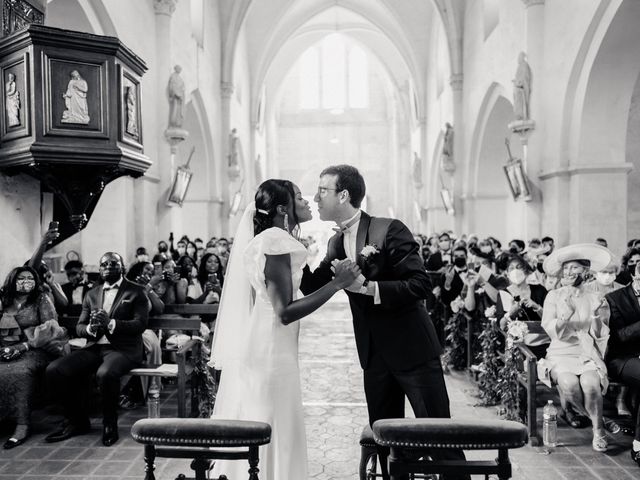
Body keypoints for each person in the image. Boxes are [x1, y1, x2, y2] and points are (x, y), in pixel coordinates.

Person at [300, 165, 468, 480]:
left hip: (412, 350)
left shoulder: (388, 229)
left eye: (323, 190)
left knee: (440, 436)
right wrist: (291, 244)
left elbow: (420, 284)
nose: (316, 197)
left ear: (344, 194)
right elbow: (310, 286)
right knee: (388, 439)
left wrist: (369, 287)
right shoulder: (336, 243)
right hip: (374, 354)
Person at [209, 179, 359, 480]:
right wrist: (337, 284)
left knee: (271, 421)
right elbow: (285, 312)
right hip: (272, 351)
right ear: (282, 208)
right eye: (299, 198)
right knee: (276, 423)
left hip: (270, 344)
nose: (306, 202)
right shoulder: (276, 241)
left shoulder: (270, 238)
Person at [45, 252, 148, 447]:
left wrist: (111, 323)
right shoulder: (92, 293)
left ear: (122, 267)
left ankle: (110, 424)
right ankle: (76, 421)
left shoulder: (136, 291)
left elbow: (140, 324)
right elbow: (80, 327)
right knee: (55, 370)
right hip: (94, 347)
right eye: (104, 264)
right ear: (99, 270)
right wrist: (91, 328)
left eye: (113, 263)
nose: (109, 266)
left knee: (105, 373)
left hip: (123, 350)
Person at [539, 244, 614, 452]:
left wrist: (597, 315)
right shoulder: (553, 296)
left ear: (586, 270)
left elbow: (599, 335)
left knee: (591, 383)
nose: (569, 272)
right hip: (560, 351)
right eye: (566, 268)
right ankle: (600, 421)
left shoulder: (594, 297)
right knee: (569, 384)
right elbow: (551, 331)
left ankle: (598, 431)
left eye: (574, 268)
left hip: (585, 351)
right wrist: (565, 316)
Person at [0, 266, 58, 449]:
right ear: (12, 280)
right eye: (22, 278)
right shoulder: (4, 300)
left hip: (36, 348)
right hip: (6, 349)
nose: (27, 281)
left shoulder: (41, 299)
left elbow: (51, 330)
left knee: (21, 372)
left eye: (30, 278)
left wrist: (23, 346)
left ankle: (22, 425)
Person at [605, 261, 640, 467]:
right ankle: (638, 442)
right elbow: (617, 338)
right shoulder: (614, 298)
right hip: (622, 358)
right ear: (634, 278)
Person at [496, 253, 549, 359]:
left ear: (526, 271)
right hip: (517, 342)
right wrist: (511, 313)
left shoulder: (539, 290)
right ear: (507, 273)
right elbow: (501, 325)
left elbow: (550, 317)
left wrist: (536, 306)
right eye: (511, 268)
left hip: (543, 340)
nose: (515, 271)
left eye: (519, 267)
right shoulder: (504, 293)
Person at [513, 51, 532, 121]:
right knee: (517, 103)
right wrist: (516, 81)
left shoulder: (524, 65)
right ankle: (519, 116)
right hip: (518, 88)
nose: (518, 59)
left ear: (522, 58)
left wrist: (519, 82)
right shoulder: (519, 66)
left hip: (521, 89)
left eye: (519, 58)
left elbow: (526, 77)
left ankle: (522, 115)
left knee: (521, 102)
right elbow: (519, 77)